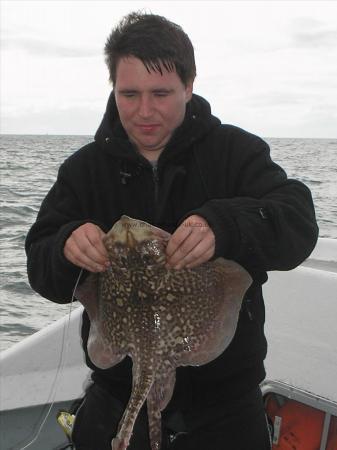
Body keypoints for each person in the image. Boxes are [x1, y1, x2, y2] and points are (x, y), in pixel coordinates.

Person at [25, 12, 319, 450]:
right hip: (114, 400)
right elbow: (40, 264)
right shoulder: (84, 171)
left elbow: (297, 221)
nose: (144, 111)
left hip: (226, 412)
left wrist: (225, 225)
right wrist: (66, 245)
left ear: (189, 85)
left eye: (161, 93)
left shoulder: (235, 153)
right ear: (113, 89)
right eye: (129, 94)